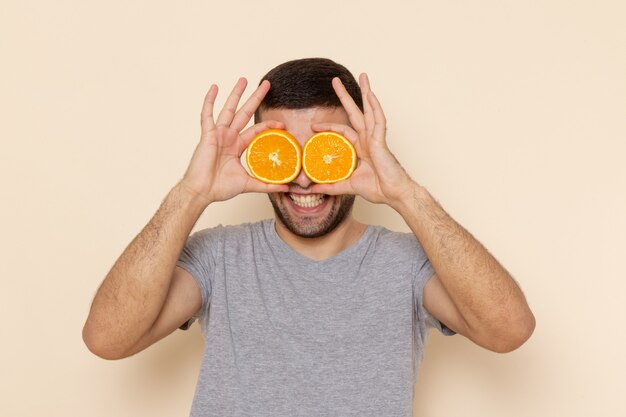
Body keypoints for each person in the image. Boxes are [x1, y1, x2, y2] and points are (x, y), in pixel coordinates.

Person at [83, 58, 535, 416]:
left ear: (357, 150)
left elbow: (509, 331)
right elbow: (107, 339)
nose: (302, 180)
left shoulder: (407, 263)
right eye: (283, 153)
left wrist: (406, 195)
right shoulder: (219, 257)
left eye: (322, 154)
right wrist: (190, 193)